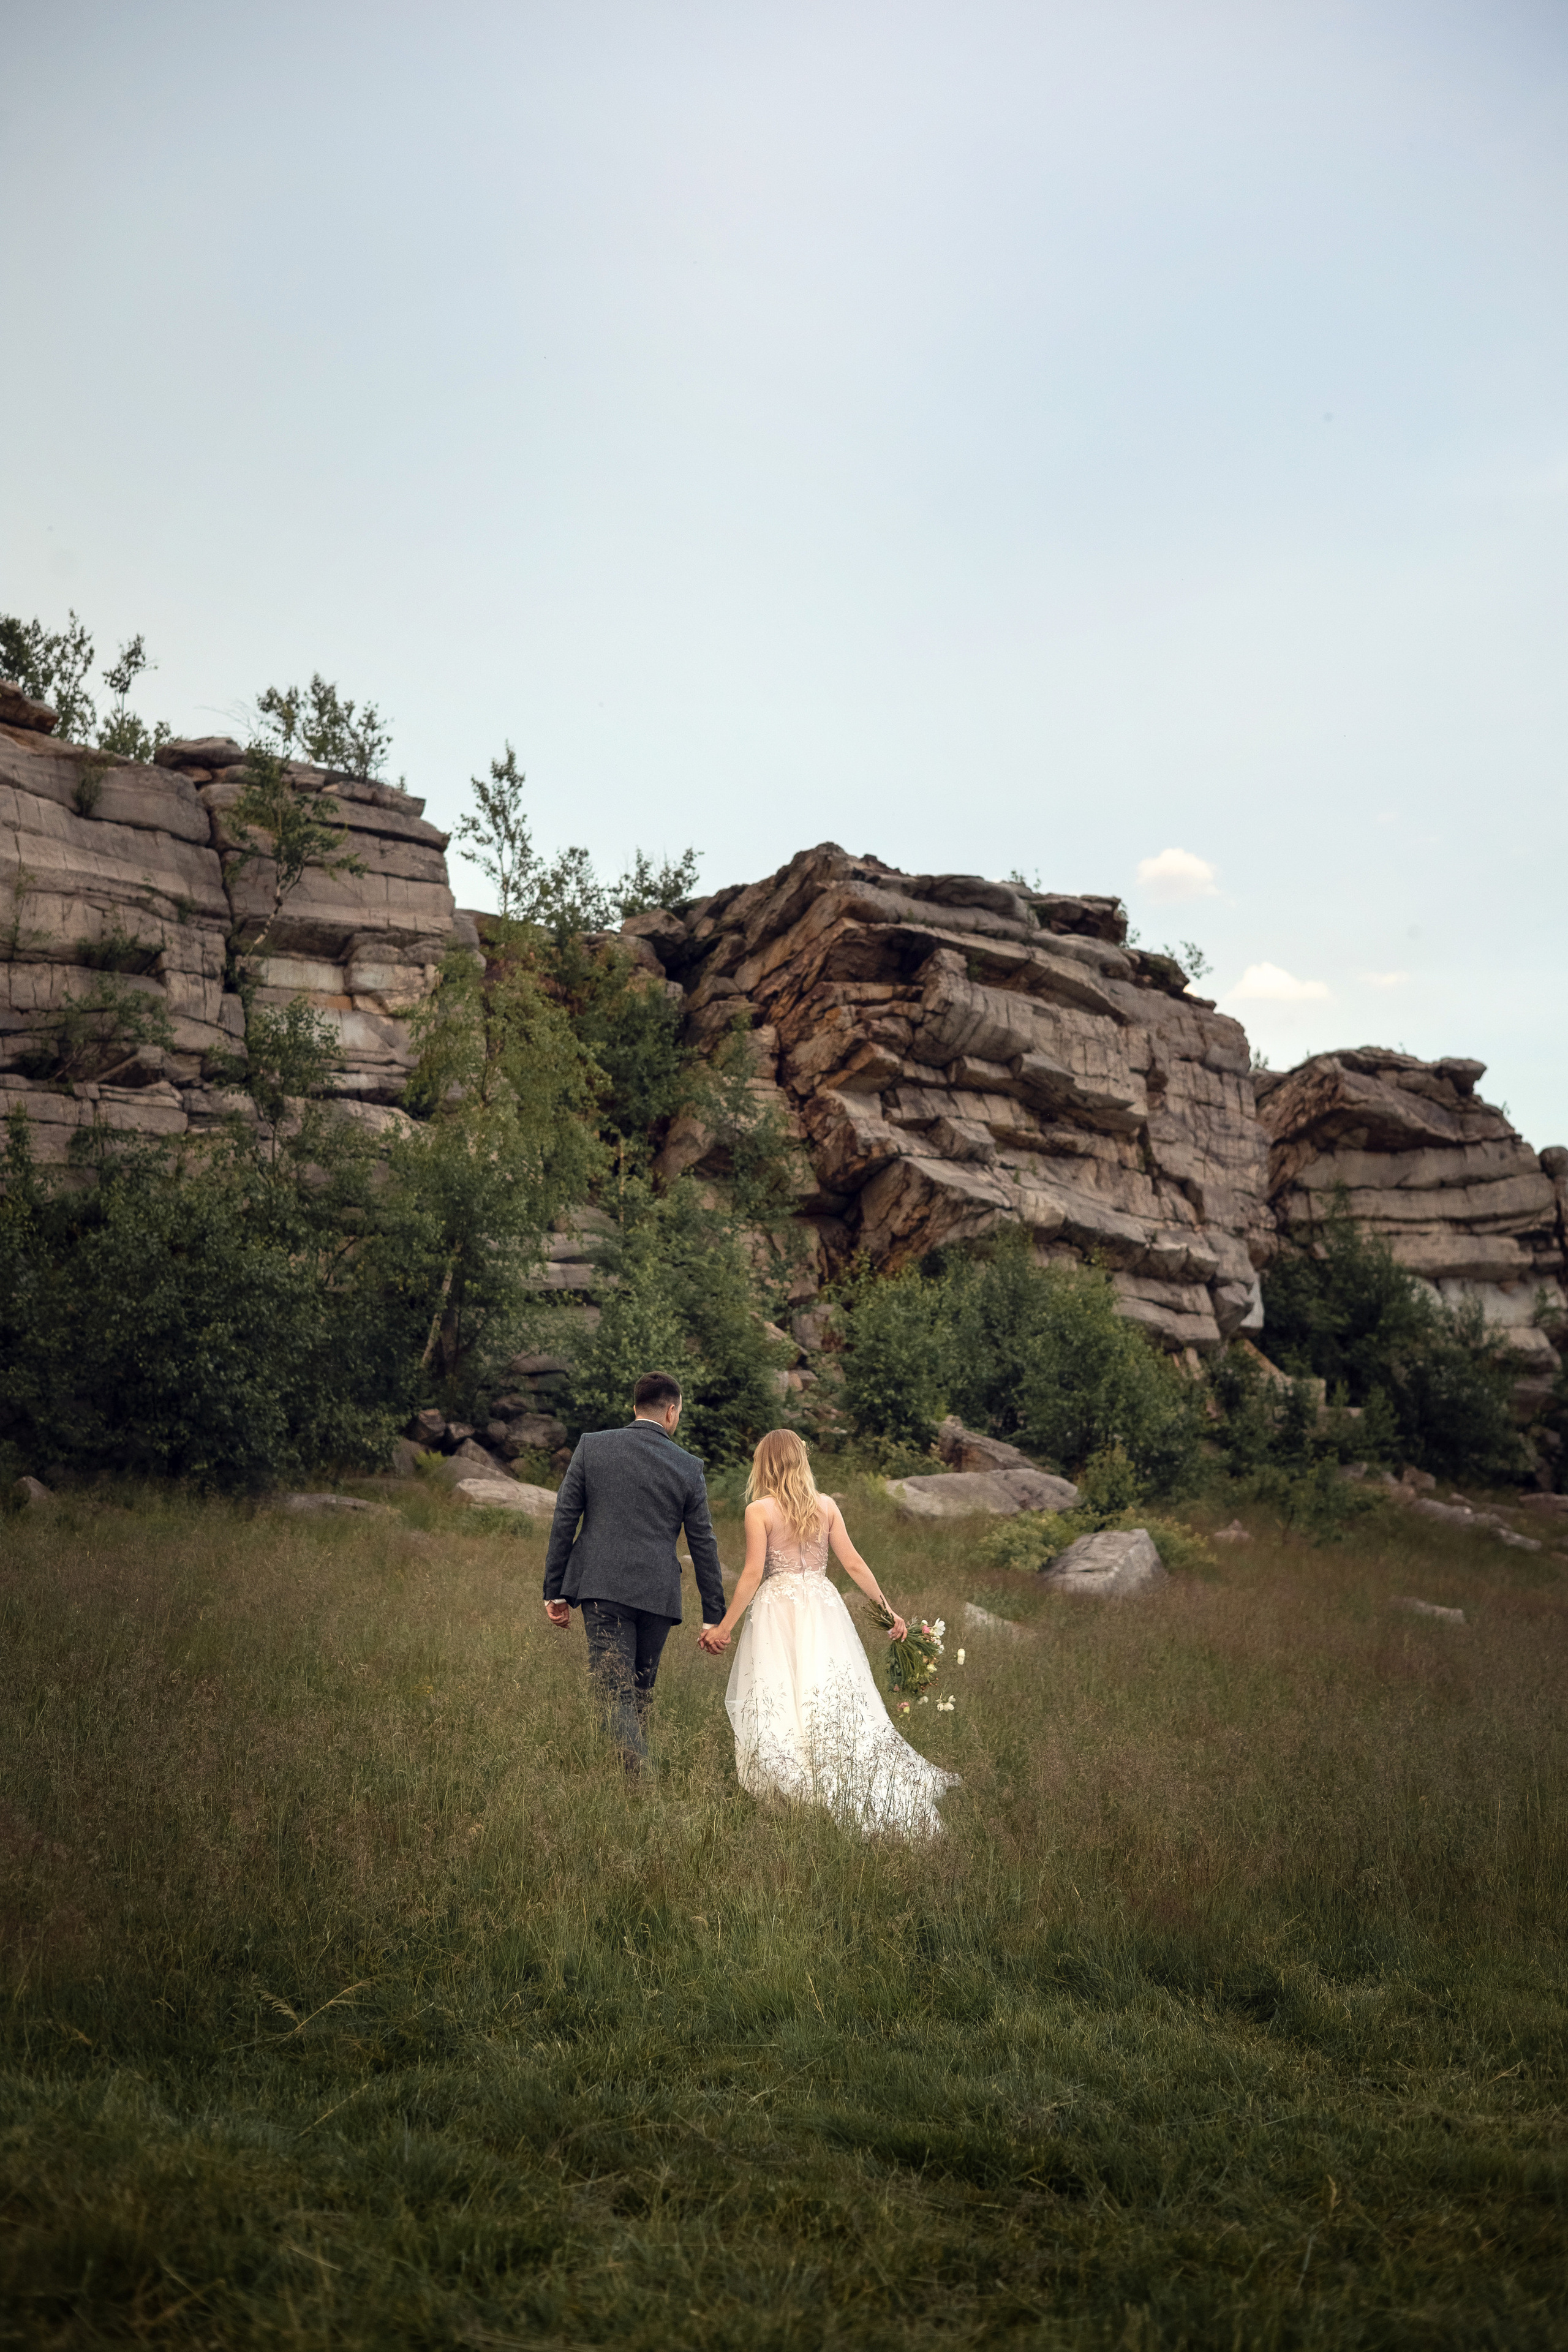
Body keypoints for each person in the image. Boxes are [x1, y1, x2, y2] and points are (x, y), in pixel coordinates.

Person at [699, 1429, 959, 1838]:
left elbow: (752, 1574)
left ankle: (789, 1784)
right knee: (829, 1686)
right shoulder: (827, 1506)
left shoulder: (759, 1510)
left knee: (779, 1690)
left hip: (778, 1607)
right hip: (823, 1605)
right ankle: (832, 1765)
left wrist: (723, 1627)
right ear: (801, 1462)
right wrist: (890, 1613)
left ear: (765, 1464)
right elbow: (853, 1563)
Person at [543, 1371, 725, 1773]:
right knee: (639, 1691)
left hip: (602, 1587)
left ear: (634, 1407)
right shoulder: (689, 1466)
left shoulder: (593, 1447)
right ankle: (630, 1788)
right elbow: (703, 1544)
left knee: (614, 1693)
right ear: (672, 1412)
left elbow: (564, 1519)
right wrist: (714, 1615)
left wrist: (554, 1592)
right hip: (658, 1595)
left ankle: (638, 1778)